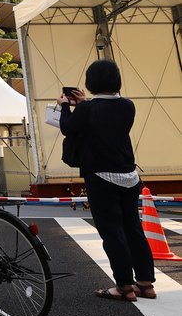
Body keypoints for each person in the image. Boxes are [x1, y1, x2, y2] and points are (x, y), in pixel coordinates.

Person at [59, 59, 155, 302]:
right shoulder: (128, 106)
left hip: (101, 177)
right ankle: (145, 283)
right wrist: (84, 105)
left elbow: (68, 128)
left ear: (91, 83)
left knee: (112, 232)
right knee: (134, 229)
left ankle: (124, 286)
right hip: (130, 176)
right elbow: (106, 121)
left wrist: (65, 107)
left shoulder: (86, 109)